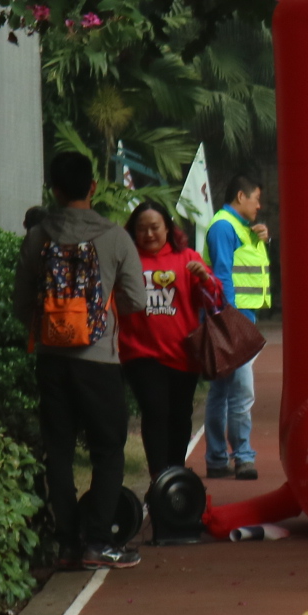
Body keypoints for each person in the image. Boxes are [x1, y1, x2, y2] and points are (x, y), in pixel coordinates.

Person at [14, 151, 149, 570]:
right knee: (108, 449)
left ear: (53, 190)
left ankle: (68, 543)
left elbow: (21, 304)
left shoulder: (38, 236)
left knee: (58, 450)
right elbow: (136, 301)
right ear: (92, 187)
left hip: (51, 360)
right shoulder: (114, 236)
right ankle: (97, 543)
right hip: (99, 361)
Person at [120, 200, 213, 496]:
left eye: (155, 227)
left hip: (183, 354)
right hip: (140, 354)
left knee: (179, 415)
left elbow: (214, 300)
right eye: (141, 228)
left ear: (168, 229)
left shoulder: (187, 258)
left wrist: (204, 278)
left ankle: (177, 477)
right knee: (155, 411)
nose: (148, 234)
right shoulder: (126, 260)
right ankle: (159, 478)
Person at [202, 172, 271, 479]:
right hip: (233, 319)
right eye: (256, 198)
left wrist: (261, 237)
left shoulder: (239, 228)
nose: (259, 205)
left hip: (238, 318)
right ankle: (241, 456)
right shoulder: (223, 227)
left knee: (222, 390)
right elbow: (222, 274)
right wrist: (229, 319)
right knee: (240, 391)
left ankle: (218, 459)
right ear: (241, 197)